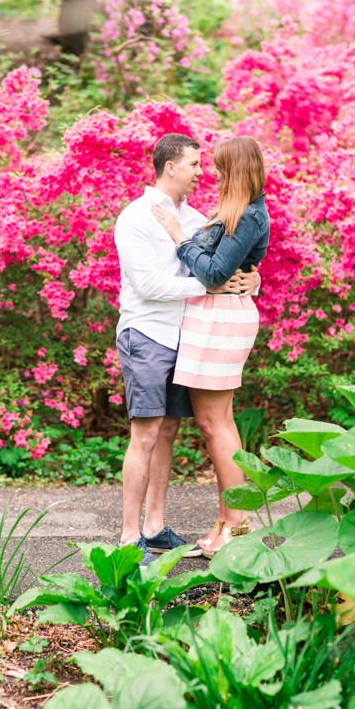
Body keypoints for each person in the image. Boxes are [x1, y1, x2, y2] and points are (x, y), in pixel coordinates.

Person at [114, 132, 261, 566]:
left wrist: (253, 280)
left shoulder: (196, 219)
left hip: (187, 337)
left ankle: (156, 529)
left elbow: (234, 262)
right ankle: (128, 539)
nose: (203, 172)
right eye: (195, 164)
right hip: (146, 334)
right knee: (144, 434)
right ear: (170, 166)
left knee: (170, 433)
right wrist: (212, 282)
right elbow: (149, 285)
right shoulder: (135, 217)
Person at [152, 136, 270, 557]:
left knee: (212, 423)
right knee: (219, 421)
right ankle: (228, 520)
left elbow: (216, 271)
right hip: (214, 316)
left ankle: (236, 524)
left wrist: (179, 238)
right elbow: (228, 268)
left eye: (219, 166)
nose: (212, 172)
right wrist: (252, 276)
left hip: (221, 318)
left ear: (236, 168)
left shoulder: (248, 216)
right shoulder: (234, 213)